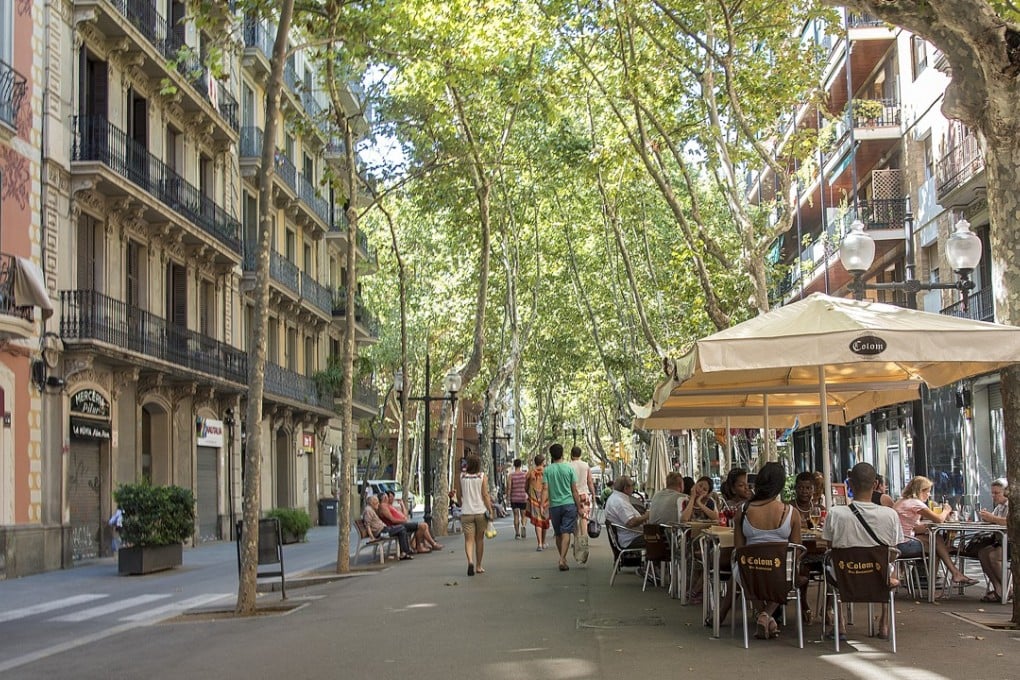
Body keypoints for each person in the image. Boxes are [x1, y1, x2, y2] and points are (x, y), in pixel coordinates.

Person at [822, 462, 904, 640]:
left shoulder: (835, 514)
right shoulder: (890, 515)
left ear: (850, 484)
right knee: (890, 565)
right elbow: (893, 550)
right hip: (878, 576)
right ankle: (884, 622)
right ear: (875, 485)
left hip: (845, 576)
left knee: (831, 564)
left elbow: (830, 547)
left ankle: (841, 622)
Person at [733, 462, 801, 640]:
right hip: (779, 573)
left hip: (750, 572)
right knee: (791, 572)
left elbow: (739, 549)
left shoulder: (743, 510)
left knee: (741, 569)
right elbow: (797, 550)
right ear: (780, 485)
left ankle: (762, 614)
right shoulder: (791, 512)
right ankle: (766, 615)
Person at [893, 476, 978, 589]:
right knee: (937, 547)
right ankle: (939, 583)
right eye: (927, 492)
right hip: (904, 544)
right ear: (920, 491)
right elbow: (938, 519)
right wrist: (946, 510)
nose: (929, 495)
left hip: (896, 541)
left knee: (937, 540)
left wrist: (926, 526)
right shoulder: (916, 503)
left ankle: (952, 575)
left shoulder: (901, 501)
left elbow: (913, 527)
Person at [543, 443, 581, 571]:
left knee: (558, 533)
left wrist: (543, 505)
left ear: (551, 455)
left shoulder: (547, 470)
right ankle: (562, 558)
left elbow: (545, 489)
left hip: (554, 506)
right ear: (563, 453)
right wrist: (579, 506)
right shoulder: (569, 468)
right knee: (566, 532)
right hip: (569, 504)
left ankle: (562, 558)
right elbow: (574, 490)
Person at [456, 453, 494, 576]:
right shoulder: (482, 476)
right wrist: (490, 510)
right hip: (480, 512)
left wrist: (463, 504)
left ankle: (470, 561)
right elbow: (485, 495)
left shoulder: (461, 477)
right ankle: (478, 566)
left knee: (468, 540)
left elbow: (459, 495)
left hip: (466, 513)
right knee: (479, 539)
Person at [972, 478, 1009, 602]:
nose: (994, 496)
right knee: (983, 553)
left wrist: (992, 518)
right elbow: (994, 521)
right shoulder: (999, 507)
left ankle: (1010, 588)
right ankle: (998, 587)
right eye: (992, 493)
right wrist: (987, 518)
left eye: (997, 493)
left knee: (994, 556)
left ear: (1006, 492)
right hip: (1000, 541)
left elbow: (1009, 522)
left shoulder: (1012, 505)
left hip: (1011, 542)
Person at [363, 495, 414, 560]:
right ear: (372, 503)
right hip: (381, 532)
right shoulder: (368, 510)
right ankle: (405, 552)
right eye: (377, 503)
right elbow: (367, 525)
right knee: (402, 528)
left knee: (402, 530)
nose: (378, 504)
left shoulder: (371, 510)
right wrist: (372, 537)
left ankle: (405, 553)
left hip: (384, 529)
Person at [605, 475, 649, 549]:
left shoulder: (616, 498)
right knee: (661, 539)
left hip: (630, 535)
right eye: (632, 486)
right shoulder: (619, 502)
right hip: (631, 538)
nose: (633, 488)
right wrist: (646, 516)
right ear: (626, 488)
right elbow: (631, 522)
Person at [568, 446, 595, 543]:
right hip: (584, 494)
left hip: (571, 495)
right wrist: (593, 493)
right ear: (580, 454)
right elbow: (590, 481)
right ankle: (584, 538)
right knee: (584, 517)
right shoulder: (585, 465)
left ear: (571, 454)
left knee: (574, 517)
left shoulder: (568, 466)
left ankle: (576, 539)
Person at [526, 453, 551, 551]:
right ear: (543, 462)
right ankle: (544, 542)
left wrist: (528, 493)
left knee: (537, 521)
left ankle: (539, 543)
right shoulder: (547, 471)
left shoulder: (530, 472)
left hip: (534, 498)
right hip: (546, 499)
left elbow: (526, 485)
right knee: (545, 520)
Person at [507, 459, 529, 540]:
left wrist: (508, 498)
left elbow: (509, 487)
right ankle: (523, 525)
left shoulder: (511, 476)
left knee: (516, 516)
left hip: (514, 498)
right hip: (523, 497)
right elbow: (527, 486)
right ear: (520, 465)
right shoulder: (525, 475)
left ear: (514, 465)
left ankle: (517, 534)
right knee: (523, 515)